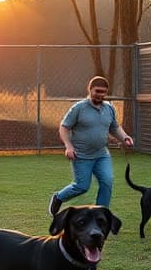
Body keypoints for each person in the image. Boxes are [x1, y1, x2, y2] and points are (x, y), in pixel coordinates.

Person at [49, 75, 134, 215]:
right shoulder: (79, 108)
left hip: (101, 155)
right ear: (90, 89)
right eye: (97, 91)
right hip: (81, 155)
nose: (101, 95)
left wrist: (124, 137)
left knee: (107, 182)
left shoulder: (109, 109)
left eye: (103, 92)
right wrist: (68, 146)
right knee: (82, 186)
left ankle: (100, 214)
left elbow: (114, 127)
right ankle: (58, 197)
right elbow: (64, 127)